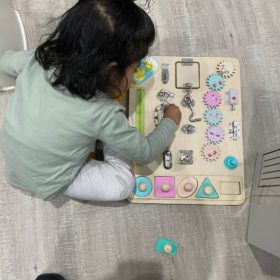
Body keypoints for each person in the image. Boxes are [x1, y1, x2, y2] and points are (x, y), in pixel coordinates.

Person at [0, 0, 181, 202]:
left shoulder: (39, 59)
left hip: (14, 166)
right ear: (111, 70)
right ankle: (107, 142)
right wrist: (170, 121)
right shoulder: (103, 113)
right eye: (135, 68)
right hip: (51, 180)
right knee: (121, 185)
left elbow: (4, 61)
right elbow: (145, 152)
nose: (136, 73)